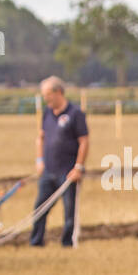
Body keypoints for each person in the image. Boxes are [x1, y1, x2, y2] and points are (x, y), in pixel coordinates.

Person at [30, 76, 89, 248]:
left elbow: (84, 141)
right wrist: (39, 160)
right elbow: (40, 138)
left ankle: (67, 244)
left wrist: (78, 167)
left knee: (69, 212)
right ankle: (36, 242)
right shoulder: (47, 113)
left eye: (47, 94)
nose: (45, 98)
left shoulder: (75, 114)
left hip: (68, 172)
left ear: (59, 92)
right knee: (40, 209)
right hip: (48, 171)